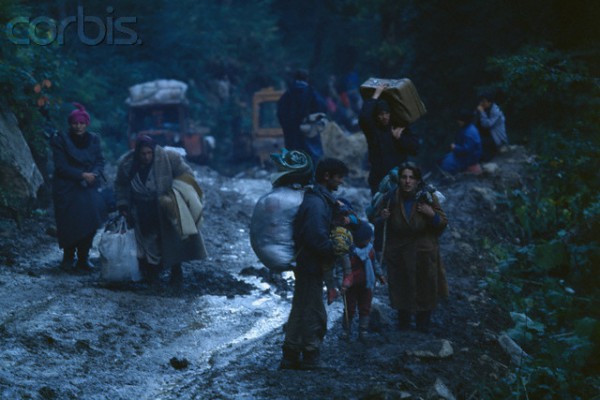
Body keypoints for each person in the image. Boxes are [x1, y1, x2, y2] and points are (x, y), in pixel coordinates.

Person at [280, 157, 349, 370]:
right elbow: (315, 237)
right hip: (310, 264)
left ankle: (291, 355)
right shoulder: (317, 203)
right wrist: (334, 249)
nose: (340, 182)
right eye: (338, 178)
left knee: (301, 308)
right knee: (313, 311)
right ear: (326, 176)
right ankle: (310, 355)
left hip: (307, 263)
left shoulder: (317, 199)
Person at [114, 136, 207, 287]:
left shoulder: (169, 158)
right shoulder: (127, 164)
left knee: (172, 242)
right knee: (146, 242)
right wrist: (123, 205)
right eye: (143, 154)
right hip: (141, 208)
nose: (146, 157)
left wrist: (176, 194)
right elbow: (121, 185)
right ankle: (152, 275)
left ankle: (176, 273)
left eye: (149, 153)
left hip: (165, 207)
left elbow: (186, 174)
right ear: (137, 153)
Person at [376, 162, 448, 333]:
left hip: (423, 249)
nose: (407, 181)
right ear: (399, 179)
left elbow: (443, 223)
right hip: (399, 249)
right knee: (401, 286)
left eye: (411, 178)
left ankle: (423, 324)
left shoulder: (427, 197)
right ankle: (404, 324)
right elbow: (377, 221)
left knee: (426, 286)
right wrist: (382, 217)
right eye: (404, 177)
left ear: (417, 180)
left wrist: (431, 214)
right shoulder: (391, 198)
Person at [359, 83, 419, 258]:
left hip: (401, 180)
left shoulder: (401, 128)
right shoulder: (373, 131)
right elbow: (364, 118)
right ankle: (380, 252)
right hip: (379, 179)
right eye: (380, 114)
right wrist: (376, 95)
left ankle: (403, 249)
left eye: (387, 113)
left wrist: (399, 139)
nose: (384, 117)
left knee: (403, 213)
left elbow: (415, 148)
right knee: (380, 216)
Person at [51, 103, 106, 272]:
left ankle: (83, 257)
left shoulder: (94, 139)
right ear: (70, 124)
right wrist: (81, 175)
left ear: (86, 123)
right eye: (75, 123)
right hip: (67, 185)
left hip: (89, 185)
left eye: (82, 123)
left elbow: (99, 161)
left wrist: (94, 174)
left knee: (92, 216)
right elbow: (61, 166)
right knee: (69, 221)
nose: (78, 126)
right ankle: (68, 257)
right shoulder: (60, 139)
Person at [339, 220, 385, 341]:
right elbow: (342, 269)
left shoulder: (370, 249)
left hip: (366, 284)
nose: (369, 241)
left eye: (370, 238)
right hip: (351, 285)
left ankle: (363, 330)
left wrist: (380, 274)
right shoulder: (349, 252)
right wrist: (342, 283)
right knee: (350, 307)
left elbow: (374, 263)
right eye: (367, 238)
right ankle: (346, 330)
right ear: (358, 239)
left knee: (365, 307)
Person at [276, 69, 327, 163]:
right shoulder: (312, 93)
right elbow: (322, 109)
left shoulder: (287, 94)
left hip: (292, 133)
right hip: (310, 130)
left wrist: (287, 126)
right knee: (312, 157)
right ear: (307, 78)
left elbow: (280, 113)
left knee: (293, 157)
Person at [439, 109, 482, 174]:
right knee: (444, 158)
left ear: (464, 121)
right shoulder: (469, 127)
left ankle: (450, 175)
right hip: (467, 155)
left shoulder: (469, 133)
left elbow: (467, 150)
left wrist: (455, 147)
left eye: (460, 120)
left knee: (446, 164)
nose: (458, 121)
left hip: (470, 158)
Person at [475, 91, 507, 162]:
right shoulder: (487, 109)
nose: (482, 103)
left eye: (484, 102)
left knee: (483, 144)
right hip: (490, 134)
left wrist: (482, 112)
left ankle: (486, 160)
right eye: (481, 101)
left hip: (498, 138)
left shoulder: (495, 111)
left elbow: (487, 125)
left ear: (490, 102)